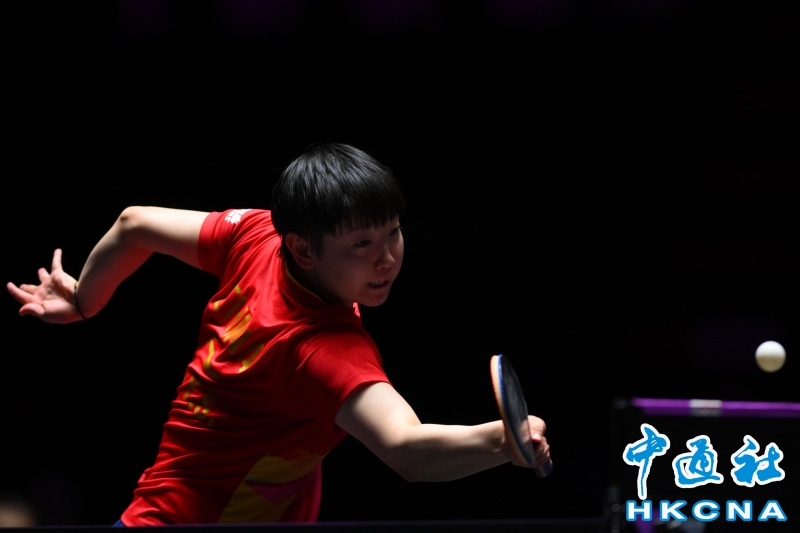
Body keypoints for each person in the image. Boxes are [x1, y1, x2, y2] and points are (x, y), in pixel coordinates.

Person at [7, 144, 551, 525]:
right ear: (304, 248)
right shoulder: (321, 349)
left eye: (393, 231)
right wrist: (502, 441)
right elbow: (406, 451)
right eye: (362, 244)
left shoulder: (256, 235)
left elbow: (134, 224)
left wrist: (84, 301)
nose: (387, 259)